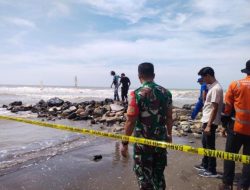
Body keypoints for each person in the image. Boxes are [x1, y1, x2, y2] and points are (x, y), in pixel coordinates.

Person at [120, 62, 173, 190]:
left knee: (144, 177)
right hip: (160, 141)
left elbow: (130, 121)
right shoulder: (166, 93)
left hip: (143, 146)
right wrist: (169, 135)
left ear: (139, 76)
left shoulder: (136, 94)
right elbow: (169, 117)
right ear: (153, 75)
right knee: (158, 176)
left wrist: (124, 143)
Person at [219, 60, 250, 190]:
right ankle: (243, 186)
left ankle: (227, 184)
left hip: (236, 128)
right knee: (248, 160)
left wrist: (224, 126)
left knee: (229, 156)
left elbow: (227, 109)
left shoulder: (235, 84)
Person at [194, 67, 223, 177]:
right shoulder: (211, 87)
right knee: (205, 144)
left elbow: (215, 108)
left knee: (210, 146)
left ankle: (212, 170)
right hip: (206, 120)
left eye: (203, 77)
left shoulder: (216, 88)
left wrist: (209, 125)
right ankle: (205, 165)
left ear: (208, 76)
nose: (203, 79)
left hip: (210, 122)